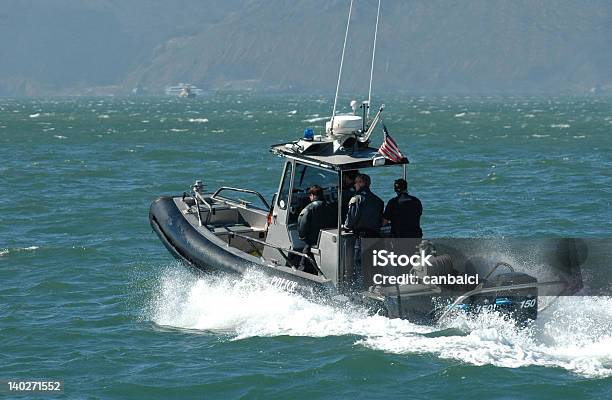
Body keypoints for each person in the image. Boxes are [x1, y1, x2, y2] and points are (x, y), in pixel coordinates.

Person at [343, 173, 384, 287]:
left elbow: (350, 220)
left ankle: (360, 292)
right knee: (374, 265)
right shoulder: (379, 200)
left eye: (356, 182)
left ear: (362, 183)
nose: (355, 185)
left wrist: (345, 226)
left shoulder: (356, 199)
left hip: (362, 238)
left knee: (359, 264)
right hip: (376, 238)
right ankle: (375, 288)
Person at [297, 185, 337, 273]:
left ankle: (302, 271)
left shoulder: (309, 208)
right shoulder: (330, 206)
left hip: (313, 239)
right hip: (326, 239)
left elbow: (303, 223)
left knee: (306, 251)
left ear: (312, 195)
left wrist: (303, 237)